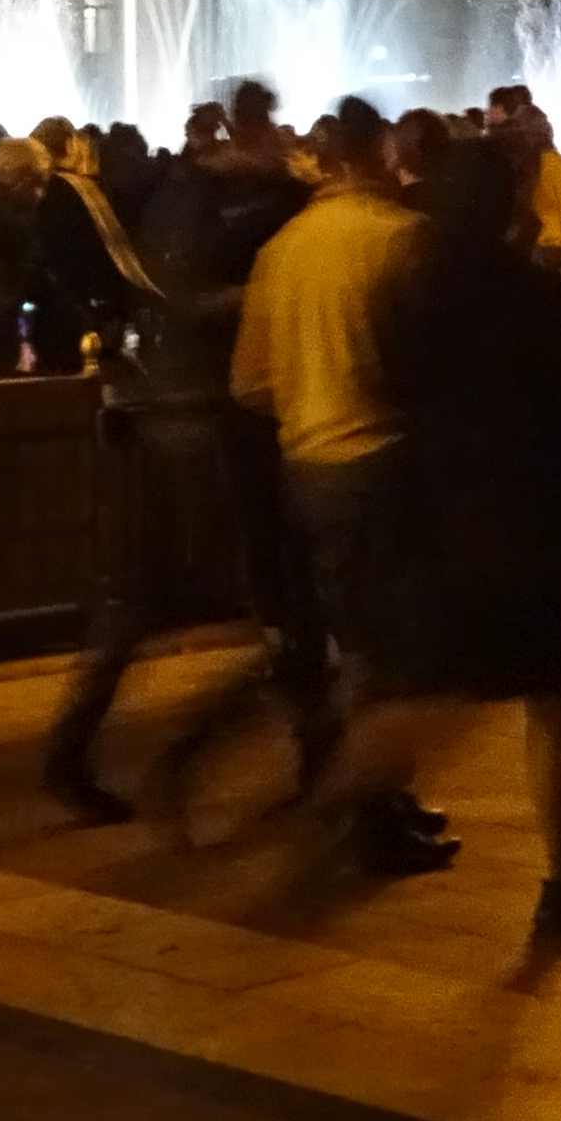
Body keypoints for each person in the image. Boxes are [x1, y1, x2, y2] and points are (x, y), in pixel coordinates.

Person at [291, 133, 561, 944]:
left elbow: (391, 387)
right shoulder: (530, 292)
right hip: (528, 517)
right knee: (552, 702)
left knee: (427, 690)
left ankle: (326, 810)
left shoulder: (408, 288)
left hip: (440, 511)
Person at [43, 94, 316, 823]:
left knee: (164, 599)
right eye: (266, 124)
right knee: (269, 594)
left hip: (188, 409)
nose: (278, 138)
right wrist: (267, 292)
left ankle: (75, 753)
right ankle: (247, 759)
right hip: (204, 416)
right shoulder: (207, 198)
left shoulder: (213, 193)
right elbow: (185, 296)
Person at [176, 103, 434, 858]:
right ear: (375, 157)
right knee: (389, 650)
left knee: (350, 638)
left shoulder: (283, 250)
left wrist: (310, 393)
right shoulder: (401, 238)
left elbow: (251, 383)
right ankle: (362, 808)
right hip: (384, 460)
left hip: (306, 465)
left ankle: (381, 797)